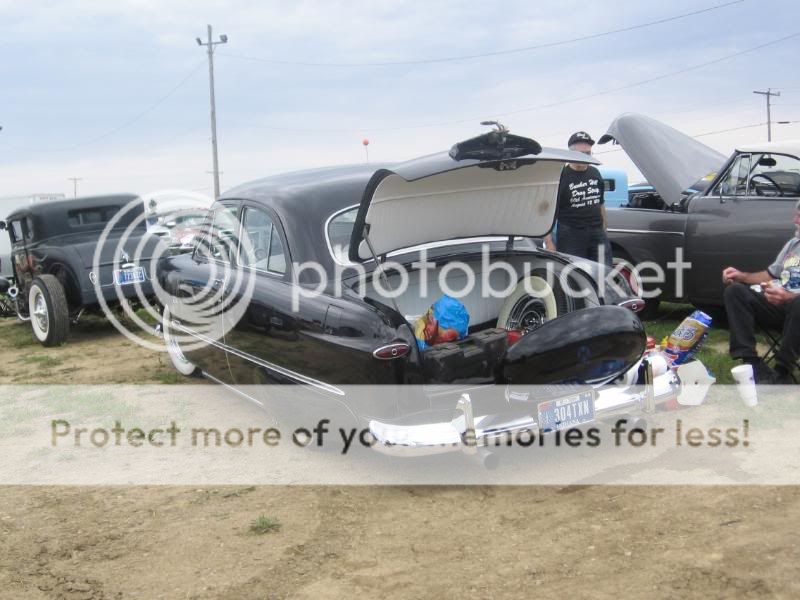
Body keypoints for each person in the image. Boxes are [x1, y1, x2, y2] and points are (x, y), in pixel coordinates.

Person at [722, 199, 800, 383]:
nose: (795, 218)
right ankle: (751, 363)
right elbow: (770, 274)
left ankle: (782, 370)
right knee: (735, 292)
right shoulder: (793, 245)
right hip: (781, 307)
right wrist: (741, 276)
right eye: (796, 213)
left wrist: (790, 296)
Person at [544, 131, 611, 266]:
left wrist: (604, 229)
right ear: (571, 154)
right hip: (571, 235)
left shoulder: (595, 172)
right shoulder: (560, 176)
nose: (585, 157)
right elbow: (546, 210)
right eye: (581, 153)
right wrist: (549, 242)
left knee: (604, 271)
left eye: (588, 153)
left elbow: (600, 203)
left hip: (597, 232)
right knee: (575, 274)